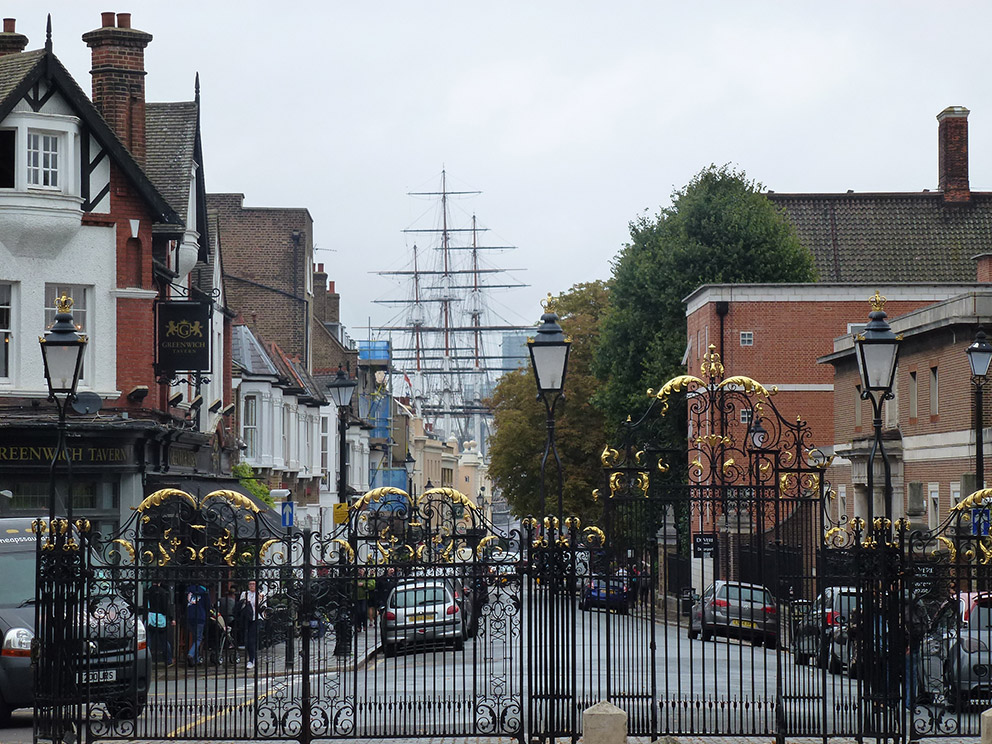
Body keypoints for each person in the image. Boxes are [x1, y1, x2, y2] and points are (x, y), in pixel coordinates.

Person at [145, 580, 174, 666]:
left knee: (148, 641)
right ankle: (168, 660)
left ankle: (147, 660)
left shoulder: (148, 591)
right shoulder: (163, 592)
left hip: (150, 617)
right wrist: (171, 618)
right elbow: (166, 607)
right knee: (164, 641)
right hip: (161, 618)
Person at [240, 579, 265, 670]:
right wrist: (245, 603)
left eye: (253, 584)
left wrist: (259, 600)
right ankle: (252, 657)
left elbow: (263, 607)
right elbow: (240, 606)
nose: (251, 586)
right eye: (250, 584)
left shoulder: (260, 594)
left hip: (256, 618)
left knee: (252, 639)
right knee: (247, 640)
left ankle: (251, 660)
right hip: (247, 618)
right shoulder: (244, 594)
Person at [185, 582, 211, 665]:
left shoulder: (189, 589)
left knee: (195, 638)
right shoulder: (204, 590)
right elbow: (208, 605)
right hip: (200, 616)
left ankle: (195, 659)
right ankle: (191, 654)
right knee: (198, 638)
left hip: (190, 615)